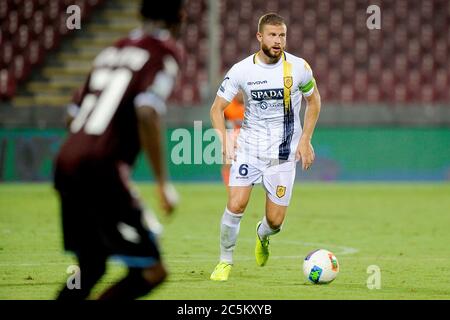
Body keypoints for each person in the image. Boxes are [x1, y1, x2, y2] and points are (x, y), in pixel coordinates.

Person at [53, 1, 185, 299]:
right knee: (152, 271)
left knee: (92, 265)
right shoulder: (163, 53)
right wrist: (163, 183)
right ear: (181, 17)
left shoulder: (111, 51)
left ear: (140, 13)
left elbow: (72, 115)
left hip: (66, 161)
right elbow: (148, 111)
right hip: (101, 170)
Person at [209, 13, 321, 281]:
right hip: (249, 149)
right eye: (272, 35)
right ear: (260, 37)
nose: (278, 40)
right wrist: (224, 138)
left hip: (283, 156)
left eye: (282, 35)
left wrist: (305, 139)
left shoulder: (299, 68)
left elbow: (314, 101)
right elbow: (216, 109)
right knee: (236, 204)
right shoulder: (241, 70)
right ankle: (225, 261)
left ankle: (262, 234)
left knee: (275, 222)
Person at [221, 91, 245, 187]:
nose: (239, 95)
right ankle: (229, 185)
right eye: (238, 92)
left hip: (249, 137)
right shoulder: (228, 106)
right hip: (232, 136)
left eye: (241, 92)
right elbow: (221, 121)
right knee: (228, 162)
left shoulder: (251, 105)